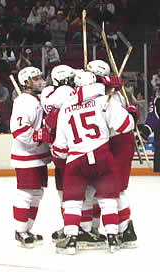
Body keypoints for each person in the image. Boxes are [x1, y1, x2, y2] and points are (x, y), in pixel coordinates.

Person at [51, 70, 138, 254]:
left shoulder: (65, 108)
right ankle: (113, 238)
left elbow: (59, 148)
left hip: (76, 160)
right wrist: (131, 113)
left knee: (73, 201)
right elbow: (125, 126)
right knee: (108, 199)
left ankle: (72, 239)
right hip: (102, 156)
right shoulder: (105, 101)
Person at [41, 65, 107, 249]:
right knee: (88, 192)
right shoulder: (68, 93)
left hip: (64, 151)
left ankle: (75, 228)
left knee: (69, 194)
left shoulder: (49, 93)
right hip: (82, 149)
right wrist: (102, 83)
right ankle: (86, 228)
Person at [87, 60, 138, 248]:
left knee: (114, 189)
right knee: (106, 188)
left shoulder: (110, 96)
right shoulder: (107, 94)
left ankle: (125, 229)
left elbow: (121, 123)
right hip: (117, 142)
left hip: (117, 143)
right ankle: (121, 228)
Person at [10, 66, 54, 248]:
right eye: (35, 79)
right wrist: (40, 136)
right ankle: (20, 231)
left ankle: (26, 229)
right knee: (26, 193)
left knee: (37, 193)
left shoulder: (37, 99)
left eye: (40, 78)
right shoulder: (23, 102)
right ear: (26, 83)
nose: (40, 81)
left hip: (38, 155)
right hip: (26, 155)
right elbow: (18, 130)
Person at [138, 86, 160, 172]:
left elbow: (152, 118)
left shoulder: (156, 101)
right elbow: (152, 118)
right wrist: (144, 132)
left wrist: (144, 132)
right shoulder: (157, 101)